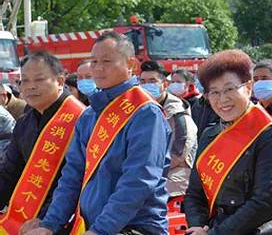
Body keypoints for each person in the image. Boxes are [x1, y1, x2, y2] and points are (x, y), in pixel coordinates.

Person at [22, 32, 171, 235]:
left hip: (135, 226)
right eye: (94, 61)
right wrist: (49, 225)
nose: (98, 68)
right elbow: (72, 175)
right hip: (91, 225)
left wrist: (100, 230)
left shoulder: (145, 113)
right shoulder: (90, 115)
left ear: (131, 65)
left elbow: (138, 181)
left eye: (107, 61)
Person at [184, 49, 272, 234]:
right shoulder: (210, 134)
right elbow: (195, 192)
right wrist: (196, 225)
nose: (222, 99)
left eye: (229, 89)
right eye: (214, 92)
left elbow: (265, 202)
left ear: (248, 87)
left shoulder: (269, 135)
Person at [0, 51, 85, 233]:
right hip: (28, 217)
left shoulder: (81, 119)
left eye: (39, 80)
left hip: (67, 218)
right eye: (25, 80)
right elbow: (9, 172)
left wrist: (47, 220)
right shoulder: (24, 122)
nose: (30, 87)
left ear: (60, 81)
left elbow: (77, 181)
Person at [140, 60, 198, 200]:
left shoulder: (178, 114)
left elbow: (178, 153)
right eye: (143, 81)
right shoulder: (140, 109)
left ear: (165, 84)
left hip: (175, 174)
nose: (147, 85)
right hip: (148, 171)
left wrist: (150, 171)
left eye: (152, 81)